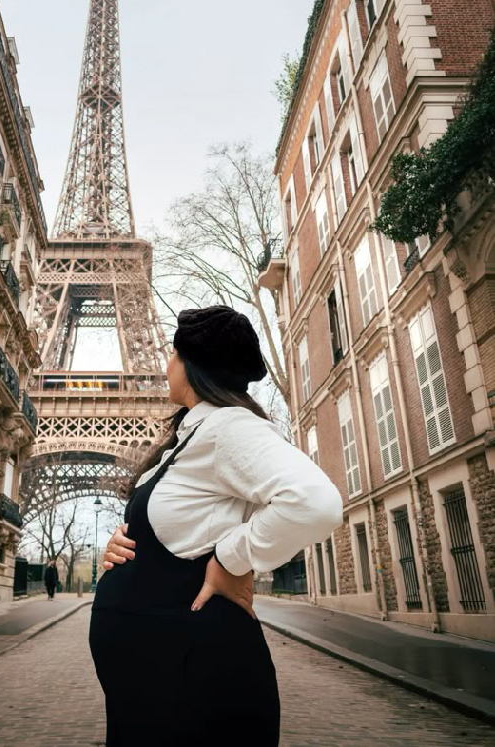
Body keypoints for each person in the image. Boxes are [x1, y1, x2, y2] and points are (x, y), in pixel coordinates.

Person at [89, 305, 343, 746]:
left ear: (191, 364)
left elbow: (316, 503)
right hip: (154, 682)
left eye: (171, 352)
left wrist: (231, 558)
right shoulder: (192, 434)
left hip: (191, 678)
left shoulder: (228, 427)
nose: (165, 361)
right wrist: (125, 542)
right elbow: (189, 520)